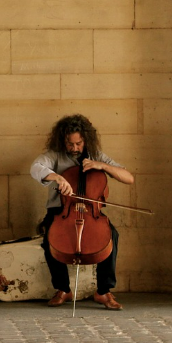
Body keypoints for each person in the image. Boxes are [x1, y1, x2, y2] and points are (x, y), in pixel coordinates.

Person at [30, 114, 134, 310]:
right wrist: (58, 178)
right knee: (49, 240)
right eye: (70, 144)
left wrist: (102, 166)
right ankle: (63, 289)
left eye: (78, 143)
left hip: (91, 211)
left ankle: (103, 292)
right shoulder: (55, 155)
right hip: (61, 210)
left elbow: (128, 178)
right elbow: (36, 168)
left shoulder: (95, 155)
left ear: (86, 139)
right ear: (63, 141)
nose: (75, 148)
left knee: (112, 236)